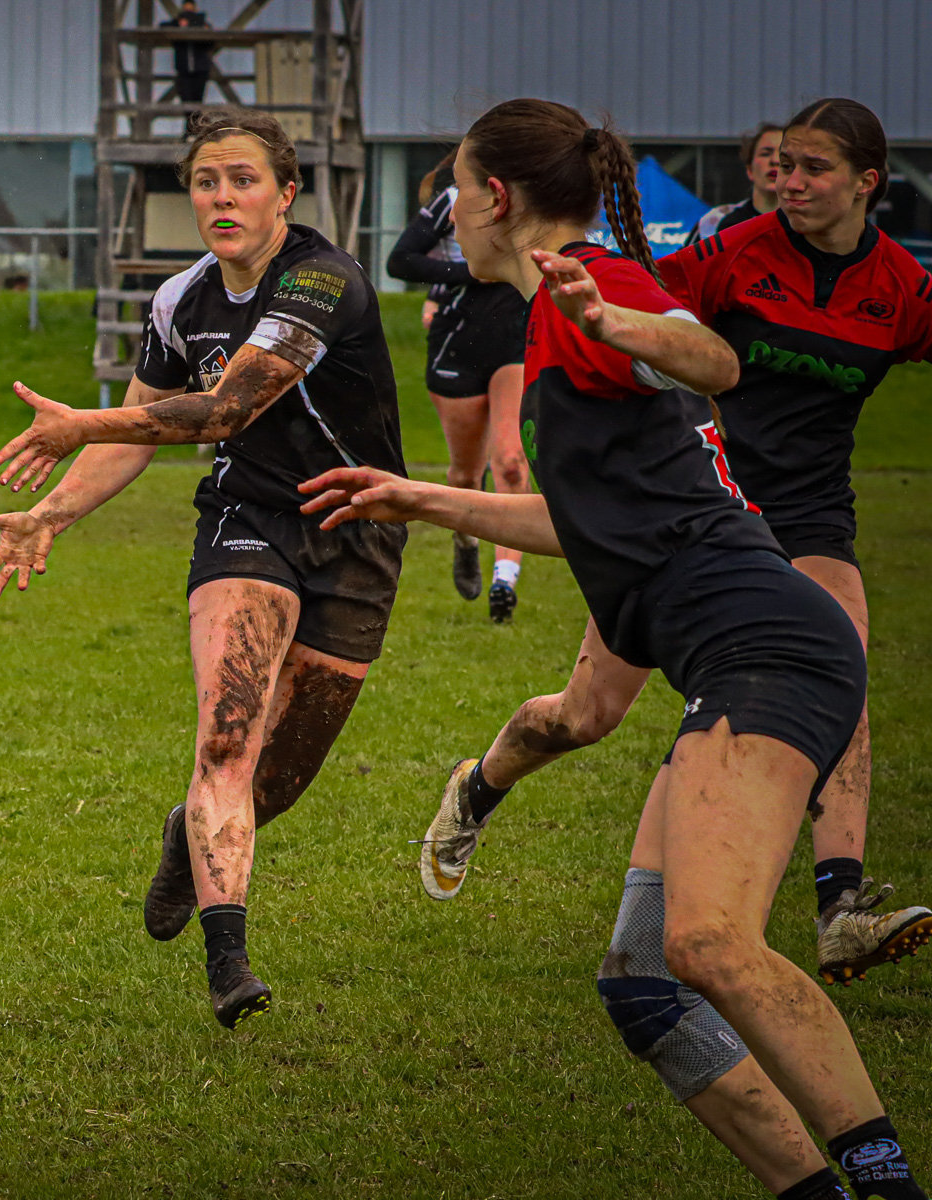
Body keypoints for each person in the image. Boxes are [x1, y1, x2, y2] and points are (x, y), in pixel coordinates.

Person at [301, 98, 923, 1200]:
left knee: (711, 947)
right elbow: (584, 525)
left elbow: (714, 362)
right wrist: (421, 499)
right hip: (729, 662)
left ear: (496, 197)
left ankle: (885, 1180)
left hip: (766, 650)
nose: (447, 206)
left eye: (452, 182)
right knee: (644, 984)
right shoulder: (556, 315)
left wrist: (625, 327)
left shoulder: (589, 287)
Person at [417, 98, 932, 989]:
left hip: (804, 517)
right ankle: (479, 785)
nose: (789, 181)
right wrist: (621, 326)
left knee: (836, 658)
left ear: (867, 184)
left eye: (814, 168)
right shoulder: (736, 251)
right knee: (584, 717)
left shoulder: (901, 287)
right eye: (784, 164)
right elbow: (648, 314)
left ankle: (839, 907)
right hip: (679, 507)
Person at [0, 109, 406, 1030]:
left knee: (276, 779)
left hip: (357, 531)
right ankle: (230, 962)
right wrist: (50, 513)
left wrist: (78, 423)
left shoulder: (324, 281)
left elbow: (224, 407)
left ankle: (186, 837)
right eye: (206, 181)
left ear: (286, 193)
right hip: (248, 523)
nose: (222, 197)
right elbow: (142, 434)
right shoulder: (180, 301)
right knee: (225, 740)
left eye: (242, 179)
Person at [387, 151, 533, 620]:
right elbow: (400, 261)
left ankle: (504, 582)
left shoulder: (537, 200)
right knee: (466, 475)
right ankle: (466, 541)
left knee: (510, 461)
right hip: (458, 343)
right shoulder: (454, 199)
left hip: (518, 341)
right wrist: (465, 274)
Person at [684, 122, 784, 246]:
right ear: (749, 169)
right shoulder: (716, 221)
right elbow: (683, 264)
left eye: (783, 155)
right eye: (765, 153)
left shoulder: (806, 225)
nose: (775, 160)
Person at [161, 0, 214, 105]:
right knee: (185, 99)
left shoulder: (202, 23)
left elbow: (210, 43)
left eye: (190, 10)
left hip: (200, 69)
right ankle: (190, 121)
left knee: (197, 101)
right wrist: (179, 25)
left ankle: (193, 121)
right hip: (184, 69)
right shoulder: (177, 23)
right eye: (186, 10)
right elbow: (163, 27)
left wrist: (201, 29)